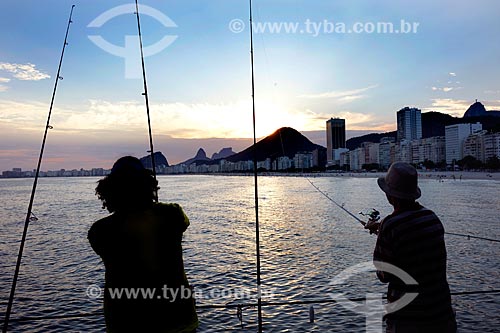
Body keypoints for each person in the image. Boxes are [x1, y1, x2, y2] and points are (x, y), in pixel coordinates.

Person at [88, 156, 199, 332]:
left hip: (126, 322)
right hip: (178, 319)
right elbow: (183, 223)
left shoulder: (100, 230)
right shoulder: (172, 215)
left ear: (109, 190)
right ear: (149, 185)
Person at [365, 162, 456, 333]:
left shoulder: (390, 226)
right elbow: (414, 241)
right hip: (442, 314)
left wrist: (383, 234)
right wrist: (383, 230)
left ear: (390, 195)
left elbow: (383, 274)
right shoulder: (432, 218)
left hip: (408, 320)